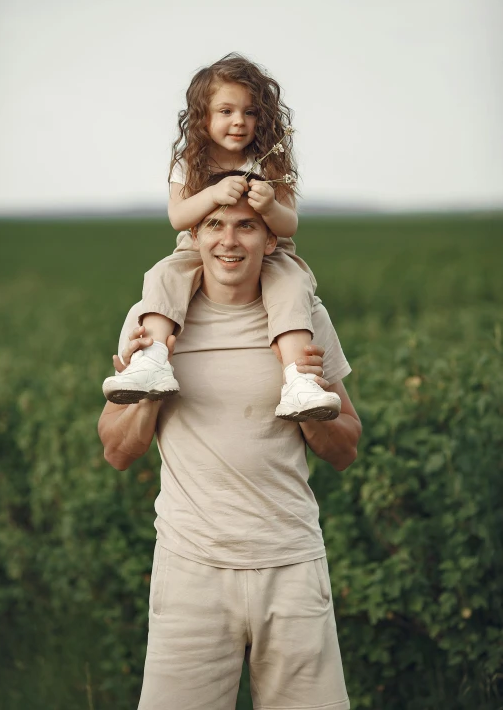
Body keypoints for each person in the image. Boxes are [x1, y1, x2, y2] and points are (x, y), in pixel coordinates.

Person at [98, 194, 361, 710]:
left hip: (291, 566)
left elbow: (346, 447)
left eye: (246, 226)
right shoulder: (153, 322)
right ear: (193, 236)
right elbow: (117, 451)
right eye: (214, 224)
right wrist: (150, 387)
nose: (229, 240)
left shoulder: (304, 320)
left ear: (270, 238)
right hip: (191, 570)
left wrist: (311, 404)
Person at [102, 53, 342, 422]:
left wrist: (269, 209)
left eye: (249, 112)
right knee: (163, 276)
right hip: (196, 246)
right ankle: (152, 361)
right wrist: (212, 196)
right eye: (226, 111)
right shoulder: (190, 162)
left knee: (292, 286)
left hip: (269, 249)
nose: (239, 122)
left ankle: (298, 381)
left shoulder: (269, 160)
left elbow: (289, 223)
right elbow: (178, 216)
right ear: (203, 117)